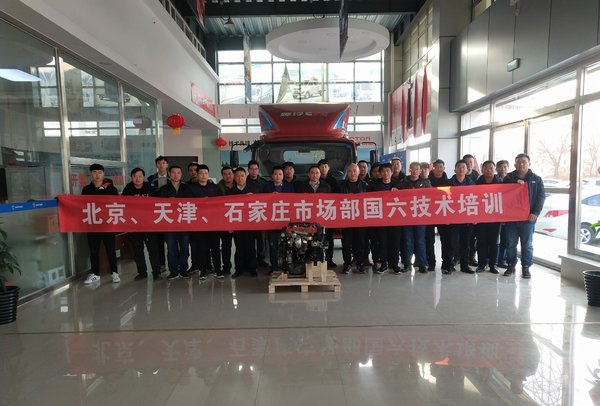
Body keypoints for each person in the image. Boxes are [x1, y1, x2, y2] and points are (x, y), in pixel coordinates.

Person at [503, 153, 545, 279]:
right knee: (510, 243)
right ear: (515, 164)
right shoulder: (508, 178)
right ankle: (511, 264)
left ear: (529, 164)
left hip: (528, 218)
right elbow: (502, 193)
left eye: (524, 162)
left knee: (527, 244)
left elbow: (541, 197)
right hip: (512, 218)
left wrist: (535, 213)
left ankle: (526, 267)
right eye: (519, 162)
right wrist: (515, 183)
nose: (521, 164)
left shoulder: (536, 179)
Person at [82, 163, 120, 284]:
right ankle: (95, 274)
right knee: (93, 251)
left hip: (107, 225)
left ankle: (114, 272)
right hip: (92, 225)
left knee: (110, 250)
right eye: (94, 172)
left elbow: (117, 204)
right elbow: (82, 205)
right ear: (91, 174)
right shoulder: (86, 189)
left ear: (103, 174)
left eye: (99, 172)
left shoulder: (111, 189)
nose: (97, 175)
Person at [121, 167, 161, 281]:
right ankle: (142, 272)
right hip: (134, 225)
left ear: (143, 177)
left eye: (140, 176)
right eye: (135, 176)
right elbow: (122, 204)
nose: (137, 179)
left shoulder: (149, 187)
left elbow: (158, 202)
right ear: (131, 177)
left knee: (152, 249)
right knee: (138, 250)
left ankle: (156, 272)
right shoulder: (128, 188)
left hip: (148, 225)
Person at [188, 164, 222, 279]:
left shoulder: (215, 188)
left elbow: (221, 203)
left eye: (206, 173)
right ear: (197, 175)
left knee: (216, 247)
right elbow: (189, 205)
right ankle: (203, 270)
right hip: (199, 224)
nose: (203, 175)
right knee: (202, 248)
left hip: (213, 223)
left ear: (208, 174)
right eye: (201, 173)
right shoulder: (191, 189)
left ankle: (218, 269)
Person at [160, 165, 193, 280]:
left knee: (185, 248)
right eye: (173, 172)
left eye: (178, 173)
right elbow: (158, 205)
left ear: (181, 174)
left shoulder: (187, 188)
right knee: (171, 249)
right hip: (169, 224)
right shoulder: (163, 189)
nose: (176, 175)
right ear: (169, 174)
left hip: (184, 223)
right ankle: (173, 271)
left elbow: (192, 203)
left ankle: (183, 270)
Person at [368, 163, 402, 274]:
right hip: (380, 219)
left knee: (395, 242)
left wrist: (399, 192)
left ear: (392, 172)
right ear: (380, 173)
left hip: (395, 218)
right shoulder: (373, 186)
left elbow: (406, 199)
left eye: (388, 171)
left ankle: (394, 264)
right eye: (383, 171)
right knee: (382, 242)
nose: (386, 173)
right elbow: (367, 199)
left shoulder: (399, 185)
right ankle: (383, 264)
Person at [400, 162, 432, 273]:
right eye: (412, 169)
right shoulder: (403, 183)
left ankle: (422, 264)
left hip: (420, 216)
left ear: (420, 171)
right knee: (408, 241)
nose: (414, 171)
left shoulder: (426, 183)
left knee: (420, 241)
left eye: (417, 169)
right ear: (409, 170)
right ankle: (407, 264)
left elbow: (432, 197)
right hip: (407, 217)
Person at [446, 160, 475, 275]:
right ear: (455, 169)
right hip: (452, 217)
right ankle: (449, 265)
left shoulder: (472, 184)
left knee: (465, 243)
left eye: (464, 167)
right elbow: (442, 200)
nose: (461, 169)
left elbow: (476, 200)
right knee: (451, 243)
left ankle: (464, 265)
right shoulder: (448, 183)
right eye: (459, 167)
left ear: (467, 170)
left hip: (466, 218)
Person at [263, 165, 294, 274]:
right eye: (275, 174)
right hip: (272, 221)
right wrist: (270, 197)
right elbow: (261, 202)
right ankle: (274, 267)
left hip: (286, 221)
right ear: (272, 176)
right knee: (273, 245)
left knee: (287, 244)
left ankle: (287, 266)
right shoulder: (267, 187)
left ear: (283, 176)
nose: (277, 176)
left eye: (280, 174)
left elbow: (293, 202)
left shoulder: (289, 187)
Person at [338, 163, 368, 274]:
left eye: (354, 171)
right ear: (347, 172)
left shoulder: (365, 186)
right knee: (346, 243)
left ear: (358, 172)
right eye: (350, 171)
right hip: (346, 218)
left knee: (360, 242)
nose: (352, 173)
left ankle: (360, 263)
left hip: (360, 219)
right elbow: (336, 201)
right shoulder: (341, 186)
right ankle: (347, 264)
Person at [228, 167, 257, 278]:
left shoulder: (253, 190)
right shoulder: (230, 192)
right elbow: (227, 210)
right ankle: (238, 269)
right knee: (239, 247)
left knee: (250, 247)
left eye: (242, 176)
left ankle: (252, 269)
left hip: (250, 224)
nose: (240, 178)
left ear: (246, 177)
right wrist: (229, 225)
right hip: (237, 224)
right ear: (234, 178)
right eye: (237, 176)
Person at [475, 161, 501, 274]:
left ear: (495, 169)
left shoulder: (500, 183)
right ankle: (481, 264)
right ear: (482, 169)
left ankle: (493, 264)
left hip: (495, 218)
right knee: (481, 242)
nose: (488, 170)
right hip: (481, 218)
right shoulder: (477, 183)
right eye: (486, 168)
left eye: (491, 168)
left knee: (494, 242)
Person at [428, 159, 451, 273]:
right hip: (429, 213)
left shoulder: (449, 182)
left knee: (445, 240)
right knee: (430, 240)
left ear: (444, 168)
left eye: (441, 167)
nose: (438, 169)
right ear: (432, 169)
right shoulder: (427, 182)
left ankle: (446, 263)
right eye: (436, 167)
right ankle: (431, 263)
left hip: (443, 213)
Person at [148, 156, 169, 273]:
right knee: (159, 241)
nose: (162, 165)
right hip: (156, 214)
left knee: (171, 242)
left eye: (164, 163)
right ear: (156, 165)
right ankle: (161, 264)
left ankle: (174, 265)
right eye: (159, 163)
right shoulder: (150, 179)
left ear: (167, 165)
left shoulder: (172, 177)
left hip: (170, 214)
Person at [246, 160, 269, 268]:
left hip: (261, 214)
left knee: (261, 240)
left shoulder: (264, 183)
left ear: (258, 170)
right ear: (248, 170)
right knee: (249, 241)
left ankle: (261, 259)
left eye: (256, 169)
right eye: (251, 169)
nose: (254, 171)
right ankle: (250, 261)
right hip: (248, 215)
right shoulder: (244, 182)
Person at [318, 158, 339, 268]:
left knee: (329, 238)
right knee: (317, 237)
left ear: (328, 168)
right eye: (321, 166)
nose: (323, 169)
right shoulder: (314, 179)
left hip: (329, 212)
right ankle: (318, 259)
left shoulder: (333, 181)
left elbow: (338, 197)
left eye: (325, 166)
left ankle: (329, 259)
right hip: (316, 213)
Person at [462, 154, 480, 266]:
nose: (469, 164)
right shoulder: (458, 176)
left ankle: (472, 257)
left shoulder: (477, 177)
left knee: (473, 237)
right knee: (462, 237)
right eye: (467, 162)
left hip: (474, 210)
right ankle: (460, 257)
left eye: (471, 162)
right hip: (461, 211)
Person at [217, 166, 235, 275]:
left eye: (229, 173)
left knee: (241, 245)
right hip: (224, 221)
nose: (228, 176)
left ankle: (241, 266)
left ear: (233, 174)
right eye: (225, 174)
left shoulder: (239, 185)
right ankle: (226, 266)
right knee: (226, 246)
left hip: (238, 221)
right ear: (222, 176)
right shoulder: (218, 188)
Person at [496, 160, 510, 268]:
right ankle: (491, 259)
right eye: (500, 167)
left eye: (505, 167)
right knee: (493, 240)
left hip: (507, 215)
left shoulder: (512, 180)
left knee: (505, 239)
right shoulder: (493, 180)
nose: (503, 169)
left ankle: (502, 259)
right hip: (495, 214)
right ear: (496, 169)